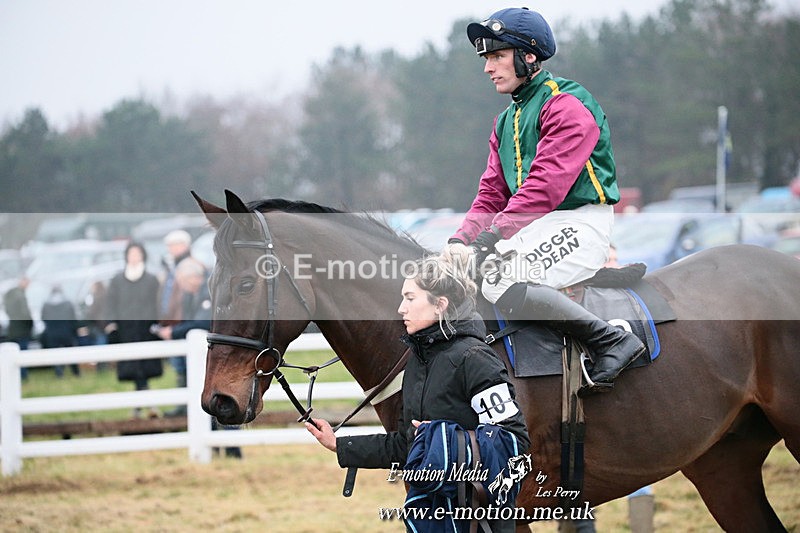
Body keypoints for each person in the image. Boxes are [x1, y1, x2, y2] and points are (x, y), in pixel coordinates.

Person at [446, 7, 644, 394]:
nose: (488, 67)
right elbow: (491, 192)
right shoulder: (505, 121)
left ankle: (612, 341)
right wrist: (459, 240)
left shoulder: (567, 105)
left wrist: (489, 239)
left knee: (498, 279)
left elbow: (544, 188)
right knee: (464, 276)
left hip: (580, 223)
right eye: (486, 58)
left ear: (529, 56)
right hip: (536, 228)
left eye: (498, 56)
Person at [306, 251, 530, 532]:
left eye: (410, 298)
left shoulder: (475, 358)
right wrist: (340, 445)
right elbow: (407, 444)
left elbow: (514, 441)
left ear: (440, 305)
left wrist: (445, 439)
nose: (401, 308)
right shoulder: (417, 361)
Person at [105, 242, 162, 418]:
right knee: (134, 369)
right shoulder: (117, 280)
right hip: (126, 331)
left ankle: (141, 407)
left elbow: (156, 304)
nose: (134, 257)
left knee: (144, 369)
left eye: (137, 253)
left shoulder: (151, 279)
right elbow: (111, 303)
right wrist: (111, 324)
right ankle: (146, 406)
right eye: (131, 253)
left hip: (146, 330)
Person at [158, 230, 193, 394]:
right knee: (179, 366)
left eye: (173, 245)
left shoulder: (190, 266)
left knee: (189, 365)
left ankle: (189, 403)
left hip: (183, 324)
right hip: (174, 323)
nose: (170, 249)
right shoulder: (172, 267)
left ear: (184, 245)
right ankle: (184, 403)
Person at [40, 285, 80, 377]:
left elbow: (43, 318)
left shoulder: (46, 304)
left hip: (52, 333)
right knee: (71, 353)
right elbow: (73, 318)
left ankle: (59, 373)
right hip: (66, 332)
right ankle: (75, 372)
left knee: (55, 354)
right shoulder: (67, 303)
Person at [3, 277, 34, 380]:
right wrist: (31, 324)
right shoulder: (21, 295)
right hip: (22, 330)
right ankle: (23, 377)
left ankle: (15, 377)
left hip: (12, 329)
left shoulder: (10, 294)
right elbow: (26, 314)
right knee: (22, 355)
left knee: (13, 356)